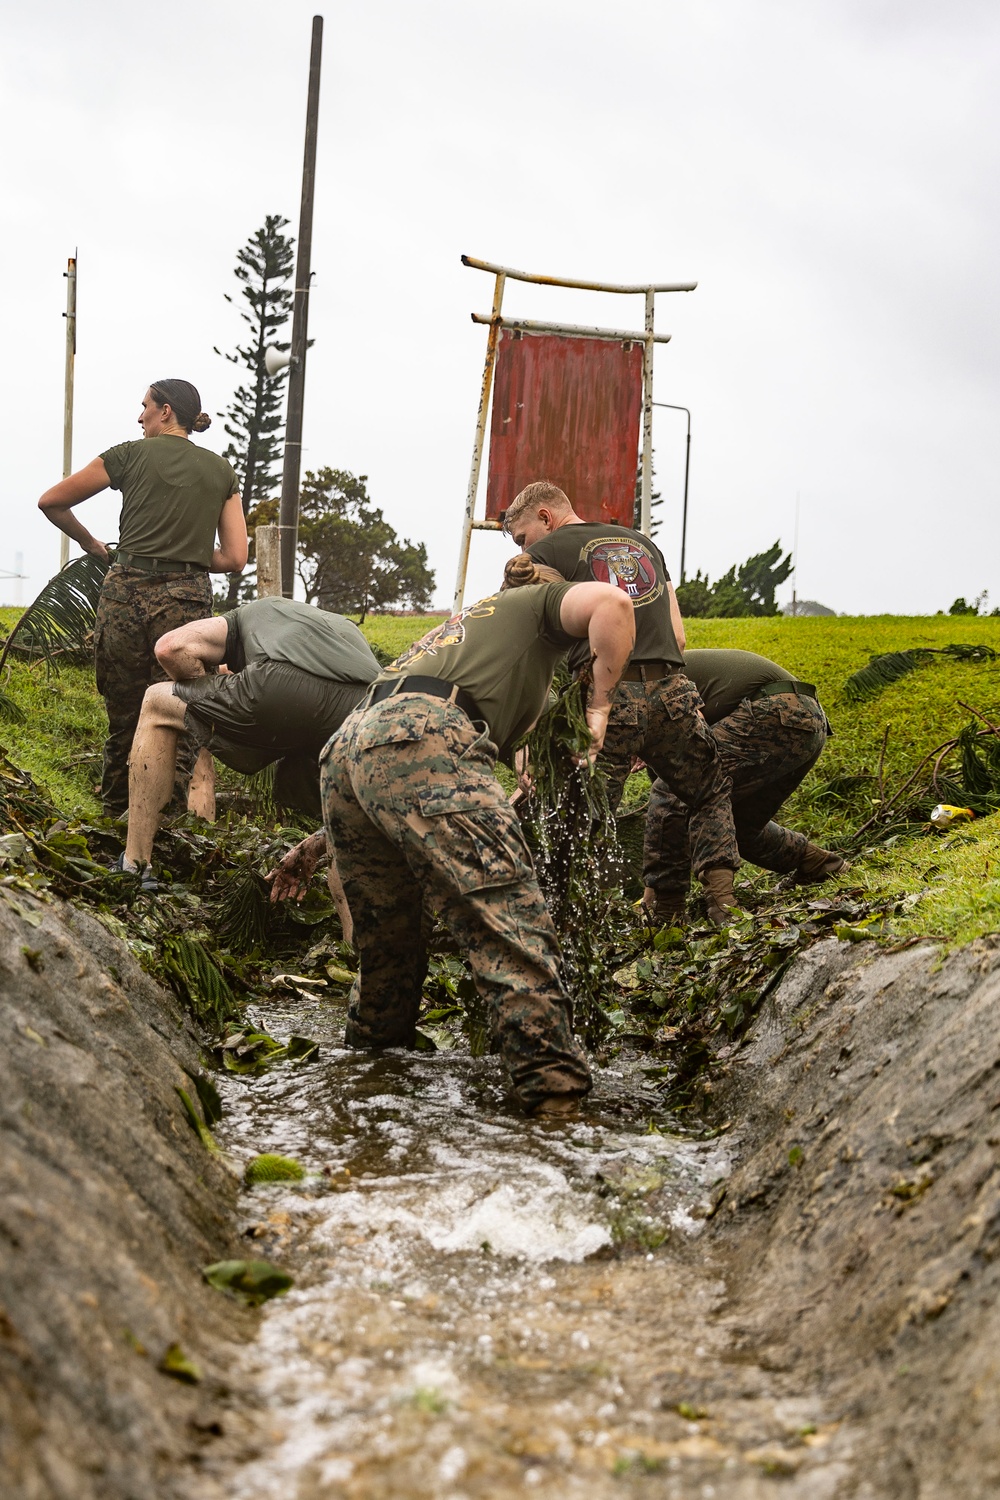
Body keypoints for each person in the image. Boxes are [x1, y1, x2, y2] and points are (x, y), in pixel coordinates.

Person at [318, 553, 635, 1117]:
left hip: (349, 747)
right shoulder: (538, 603)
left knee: (387, 946)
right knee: (508, 919)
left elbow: (407, 776)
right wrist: (601, 706)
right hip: (420, 732)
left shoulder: (469, 636)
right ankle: (556, 1104)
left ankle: (369, 1086)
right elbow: (613, 603)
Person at [504, 480, 739, 925]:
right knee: (709, 790)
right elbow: (680, 636)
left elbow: (520, 641)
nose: (522, 547)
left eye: (521, 536)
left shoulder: (542, 556)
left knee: (588, 814)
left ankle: (579, 926)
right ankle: (723, 906)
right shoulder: (644, 544)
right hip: (673, 692)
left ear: (545, 517)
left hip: (604, 696)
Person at [38, 380, 248, 815]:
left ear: (166, 411)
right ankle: (164, 831)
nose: (140, 417)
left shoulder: (128, 454)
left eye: (145, 407)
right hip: (186, 604)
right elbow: (234, 557)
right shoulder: (221, 470)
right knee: (179, 713)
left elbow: (52, 501)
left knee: (125, 716)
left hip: (123, 596)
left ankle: (115, 823)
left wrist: (92, 544)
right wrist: (186, 551)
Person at [119, 597, 381, 928]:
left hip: (282, 692)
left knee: (157, 703)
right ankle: (355, 952)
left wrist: (202, 717)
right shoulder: (339, 628)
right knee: (347, 828)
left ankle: (134, 865)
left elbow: (171, 648)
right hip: (370, 714)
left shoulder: (248, 615)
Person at [642, 648, 846, 924]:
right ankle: (820, 864)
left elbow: (677, 795)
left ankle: (704, 910)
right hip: (808, 719)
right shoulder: (648, 716)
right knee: (740, 826)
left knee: (688, 789)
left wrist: (661, 895)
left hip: (772, 708)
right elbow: (672, 815)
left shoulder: (641, 685)